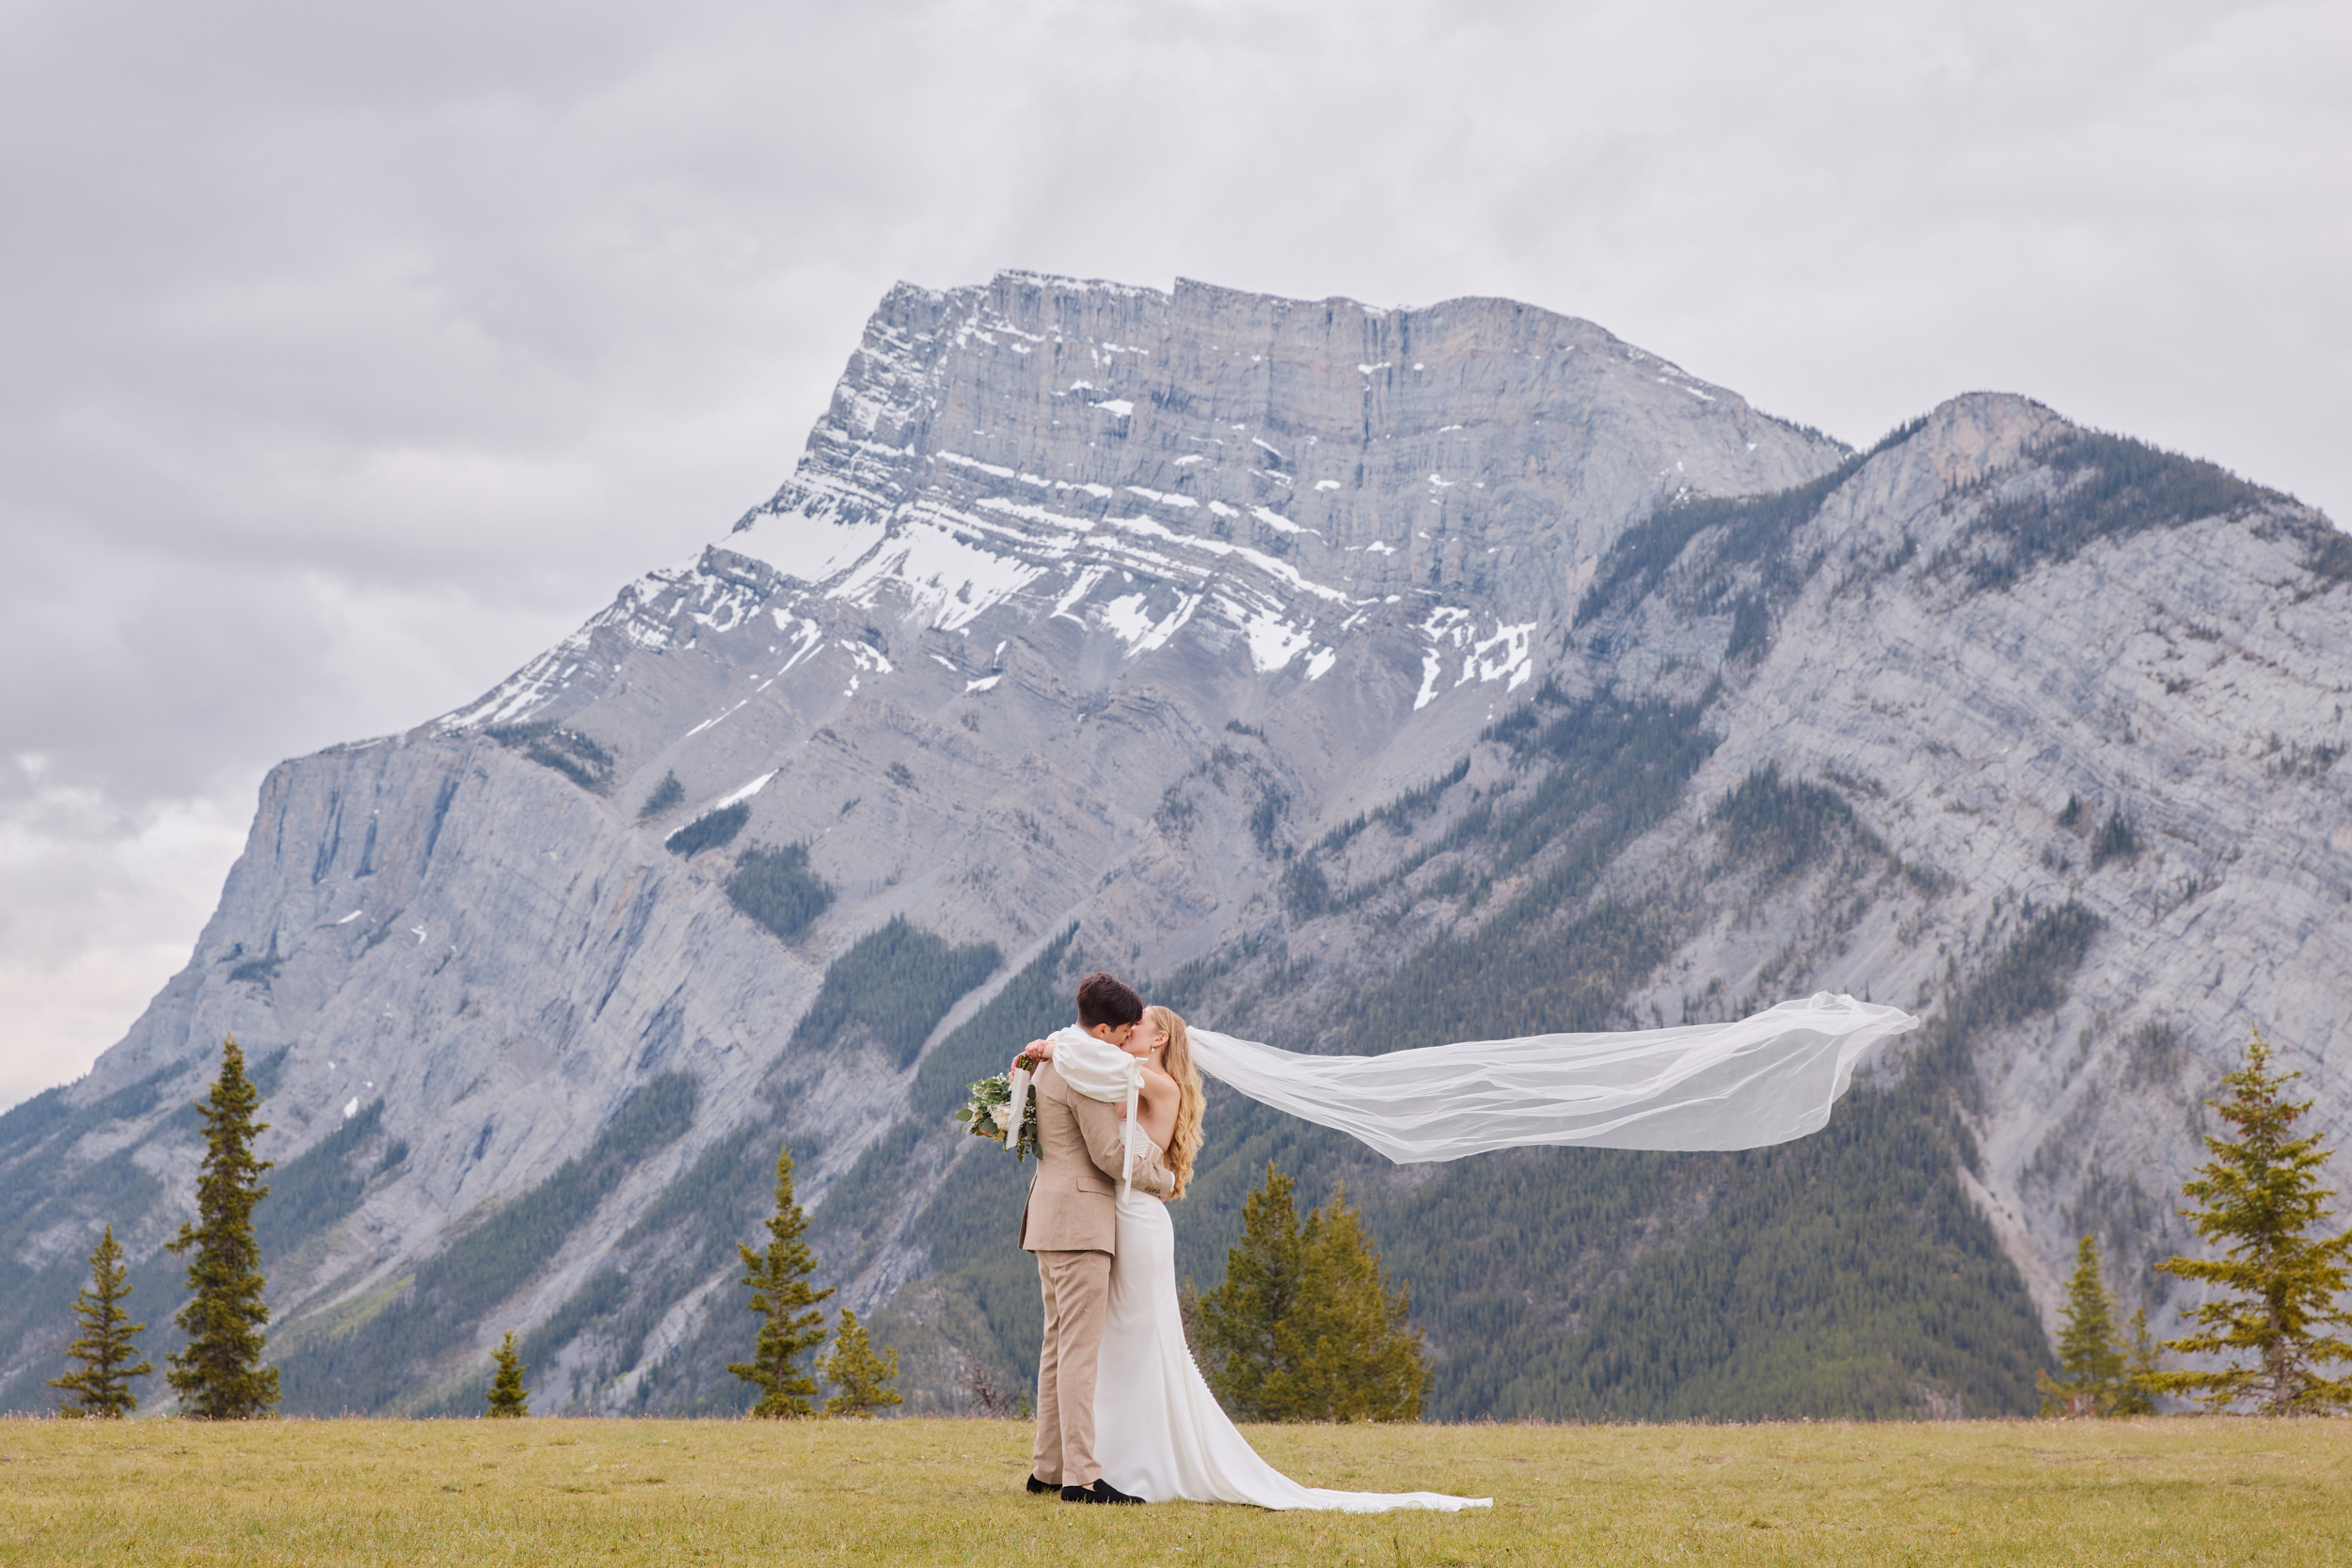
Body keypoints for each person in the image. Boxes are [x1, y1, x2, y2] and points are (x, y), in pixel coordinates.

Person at [1023, 994, 1489, 1513]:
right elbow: (1096, 1094)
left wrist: (1058, 1045)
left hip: (1136, 1218)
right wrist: (1060, 1047)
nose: (1130, 1030)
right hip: (1111, 1217)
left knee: (1132, 1336)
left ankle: (1115, 1462)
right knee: (1111, 1342)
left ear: (1159, 1039)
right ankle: (1098, 1460)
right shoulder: (1114, 1069)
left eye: (1142, 1026)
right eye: (1125, 1025)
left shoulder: (1154, 1081)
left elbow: (1101, 1076)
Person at [1017, 973, 1175, 1504]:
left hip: (1047, 1214)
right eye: (1122, 1032)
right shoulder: (1083, 1071)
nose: (1123, 1044)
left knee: (1058, 1346)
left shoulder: (1050, 1058)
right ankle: (1081, 1479)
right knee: (1079, 1352)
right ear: (1103, 1028)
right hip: (1082, 1220)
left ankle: (1048, 1467)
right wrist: (1164, 1178)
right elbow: (1110, 1154)